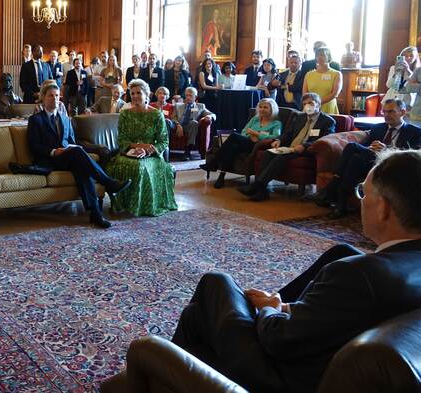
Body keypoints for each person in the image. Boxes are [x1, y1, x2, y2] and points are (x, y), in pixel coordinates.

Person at [153, 150, 421, 393]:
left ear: (384, 208)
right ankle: (175, 373)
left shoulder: (356, 275)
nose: (359, 198)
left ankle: (162, 373)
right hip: (322, 345)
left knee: (215, 284)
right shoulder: (377, 269)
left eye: (363, 191)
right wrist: (288, 308)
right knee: (342, 250)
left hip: (280, 377)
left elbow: (279, 340)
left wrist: (271, 307)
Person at [27, 82, 132, 229]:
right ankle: (108, 183)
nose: (55, 99)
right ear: (43, 98)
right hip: (50, 159)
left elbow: (72, 141)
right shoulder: (36, 120)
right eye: (50, 95)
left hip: (69, 157)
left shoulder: (65, 119)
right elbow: (34, 146)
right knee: (77, 154)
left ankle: (95, 214)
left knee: (81, 168)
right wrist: (53, 151)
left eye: (57, 96)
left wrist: (74, 149)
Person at [315, 98, 421, 217]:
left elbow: (412, 156)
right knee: (355, 158)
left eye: (390, 111)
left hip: (390, 164)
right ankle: (341, 205)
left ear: (402, 112)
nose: (386, 115)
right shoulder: (379, 128)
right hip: (370, 162)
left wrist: (386, 150)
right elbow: (365, 147)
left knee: (352, 148)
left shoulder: (415, 132)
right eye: (384, 112)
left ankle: (334, 186)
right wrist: (371, 147)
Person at [238, 92, 335, 201]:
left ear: (318, 104)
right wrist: (278, 140)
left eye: (311, 103)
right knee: (268, 153)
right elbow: (288, 134)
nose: (307, 106)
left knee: (281, 157)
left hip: (308, 150)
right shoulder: (299, 117)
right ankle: (262, 191)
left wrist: (304, 146)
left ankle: (257, 186)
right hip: (291, 148)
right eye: (305, 104)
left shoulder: (327, 121)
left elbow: (324, 139)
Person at [106, 80, 177, 217]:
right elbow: (122, 140)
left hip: (151, 155)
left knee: (140, 167)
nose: (135, 96)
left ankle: (141, 206)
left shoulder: (157, 115)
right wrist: (138, 147)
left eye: (139, 93)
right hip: (129, 153)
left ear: (146, 94)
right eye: (132, 93)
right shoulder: (125, 114)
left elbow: (163, 141)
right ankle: (123, 204)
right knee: (123, 165)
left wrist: (148, 150)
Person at [202, 98, 282, 189]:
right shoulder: (255, 119)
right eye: (260, 107)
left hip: (258, 146)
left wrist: (257, 134)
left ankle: (214, 163)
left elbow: (275, 137)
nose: (262, 109)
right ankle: (221, 177)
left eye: (265, 107)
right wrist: (250, 136)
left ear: (272, 109)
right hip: (247, 142)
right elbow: (244, 131)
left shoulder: (276, 123)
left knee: (233, 136)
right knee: (232, 147)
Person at [172, 87, 215, 157]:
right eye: (187, 95)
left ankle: (188, 150)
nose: (188, 97)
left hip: (190, 127)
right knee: (169, 122)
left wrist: (209, 117)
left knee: (194, 122)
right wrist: (178, 125)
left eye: (190, 95)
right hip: (178, 125)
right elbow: (173, 117)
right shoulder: (178, 105)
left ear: (195, 97)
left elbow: (213, 114)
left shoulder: (200, 106)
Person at [303, 46, 342, 114]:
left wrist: (317, 103)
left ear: (329, 57)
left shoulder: (336, 74)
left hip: (328, 108)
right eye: (317, 55)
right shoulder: (308, 74)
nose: (319, 57)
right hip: (311, 108)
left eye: (322, 55)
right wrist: (311, 104)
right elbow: (305, 93)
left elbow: (335, 93)